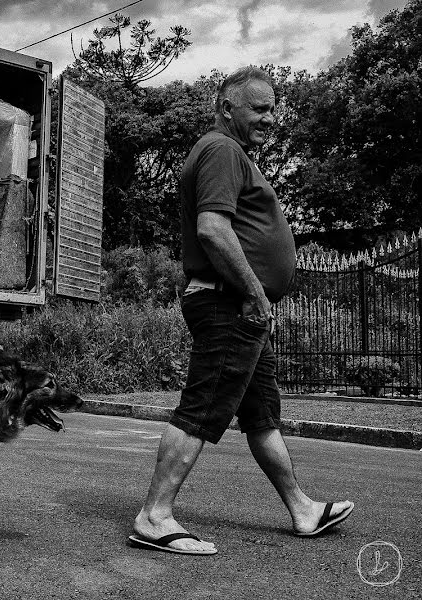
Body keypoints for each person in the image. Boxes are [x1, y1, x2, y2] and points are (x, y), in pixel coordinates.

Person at [129, 66, 354, 555]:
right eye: (259, 109)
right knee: (204, 405)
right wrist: (254, 291)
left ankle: (302, 508)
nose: (269, 119)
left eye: (273, 110)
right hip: (229, 302)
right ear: (227, 107)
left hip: (241, 305)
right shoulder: (221, 149)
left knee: (261, 416)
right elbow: (213, 229)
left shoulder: (227, 152)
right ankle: (154, 515)